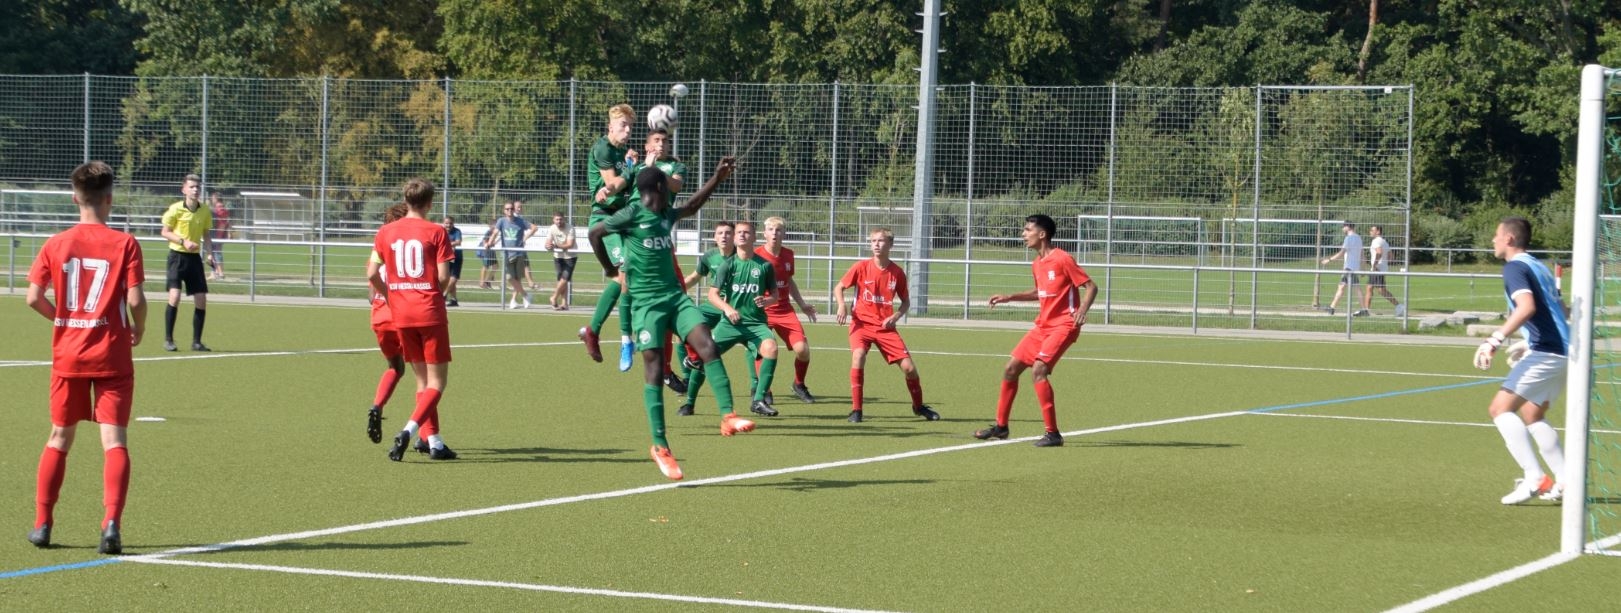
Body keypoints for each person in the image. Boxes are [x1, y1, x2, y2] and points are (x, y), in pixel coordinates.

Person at [587, 158, 745, 481]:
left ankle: (728, 415)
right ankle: (660, 446)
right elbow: (595, 233)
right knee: (656, 369)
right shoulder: (631, 213)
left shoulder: (665, 214)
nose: (673, 190)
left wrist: (717, 178)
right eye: (668, 184)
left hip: (675, 298)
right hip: (647, 305)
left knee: (707, 345)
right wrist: (609, 268)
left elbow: (692, 206)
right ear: (658, 187)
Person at [25, 160, 146, 554]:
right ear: (110, 199)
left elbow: (33, 297)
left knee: (60, 437)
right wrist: (139, 327)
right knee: (114, 440)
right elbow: (135, 299)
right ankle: (111, 524)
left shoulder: (56, 243)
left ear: (75, 198)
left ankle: (42, 524)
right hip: (112, 354)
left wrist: (64, 319)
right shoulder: (125, 243)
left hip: (69, 355)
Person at [973, 214, 1097, 448]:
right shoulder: (1037, 263)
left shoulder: (1062, 259)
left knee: (1039, 370)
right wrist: (1010, 297)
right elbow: (1038, 292)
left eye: (1028, 230)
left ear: (1042, 234)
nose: (1023, 234)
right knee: (1010, 369)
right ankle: (1001, 427)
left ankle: (1053, 433)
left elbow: (1091, 286)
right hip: (1043, 326)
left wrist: (1081, 310)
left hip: (1064, 325)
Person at [1472, 216, 1568, 505]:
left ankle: (1534, 477)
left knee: (1499, 409)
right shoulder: (1539, 266)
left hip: (1549, 352)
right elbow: (1560, 310)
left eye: (1496, 235)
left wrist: (1494, 340)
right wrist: (1528, 342)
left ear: (1509, 239)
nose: (1493, 240)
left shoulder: (1514, 267)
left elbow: (1526, 307)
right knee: (1532, 414)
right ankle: (1567, 481)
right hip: (1563, 351)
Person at [368, 178, 458, 461]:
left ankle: (433, 442)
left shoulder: (385, 232)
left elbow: (372, 274)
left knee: (421, 381)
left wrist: (392, 297)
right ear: (430, 203)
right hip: (428, 311)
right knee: (436, 383)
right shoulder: (436, 231)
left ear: (405, 200)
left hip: (401, 315)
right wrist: (433, 295)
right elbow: (443, 277)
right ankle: (408, 431)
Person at [834, 228, 939, 423]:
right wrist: (842, 305)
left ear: (890, 244)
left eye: (881, 241)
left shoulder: (897, 273)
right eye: (873, 241)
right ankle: (856, 410)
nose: (876, 244)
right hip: (861, 325)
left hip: (885, 328)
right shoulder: (860, 267)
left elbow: (906, 302)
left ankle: (918, 406)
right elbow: (839, 287)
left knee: (909, 368)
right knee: (858, 356)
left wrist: (896, 316)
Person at [578, 104, 640, 371]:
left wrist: (634, 166)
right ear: (610, 126)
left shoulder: (622, 152)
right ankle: (626, 339)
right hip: (605, 219)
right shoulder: (603, 148)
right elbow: (612, 184)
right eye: (623, 125)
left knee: (623, 277)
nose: (628, 130)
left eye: (631, 126)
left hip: (623, 220)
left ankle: (593, 330)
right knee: (624, 274)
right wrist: (631, 168)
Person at [705, 220, 781, 418]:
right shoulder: (727, 265)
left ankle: (758, 400)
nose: (741, 235)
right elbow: (712, 294)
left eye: (746, 232)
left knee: (771, 348)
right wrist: (728, 308)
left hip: (756, 324)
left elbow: (775, 295)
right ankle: (689, 400)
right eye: (738, 232)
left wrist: (767, 300)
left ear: (754, 237)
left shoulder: (765, 266)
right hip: (730, 324)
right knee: (705, 355)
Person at [676, 221, 747, 416]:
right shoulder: (709, 256)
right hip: (714, 306)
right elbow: (694, 278)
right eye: (720, 233)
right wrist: (675, 290)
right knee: (683, 331)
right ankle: (686, 378)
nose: (724, 236)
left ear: (734, 236)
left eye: (728, 233)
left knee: (756, 348)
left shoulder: (743, 255)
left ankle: (759, 392)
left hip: (737, 308)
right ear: (714, 237)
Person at [755, 216, 818, 404]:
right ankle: (764, 390)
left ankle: (799, 384)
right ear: (764, 233)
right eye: (771, 229)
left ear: (784, 233)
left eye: (778, 230)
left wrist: (802, 305)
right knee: (763, 350)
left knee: (803, 350)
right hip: (762, 312)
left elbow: (789, 280)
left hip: (784, 310)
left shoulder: (789, 254)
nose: (774, 233)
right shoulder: (755, 255)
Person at [366, 204, 409, 446]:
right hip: (403, 316)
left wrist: (384, 297)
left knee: (395, 367)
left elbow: (371, 294)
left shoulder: (378, 249)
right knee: (426, 376)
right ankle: (428, 437)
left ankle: (377, 405)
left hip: (379, 318)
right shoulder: (407, 250)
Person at [159, 173, 214, 352]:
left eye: (197, 187)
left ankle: (197, 342)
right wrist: (183, 242)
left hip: (194, 259)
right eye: (191, 187)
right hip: (177, 257)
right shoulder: (175, 209)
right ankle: (169, 339)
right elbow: (165, 232)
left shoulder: (204, 210)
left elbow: (206, 234)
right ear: (184, 189)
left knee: (201, 299)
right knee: (175, 296)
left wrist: (210, 254)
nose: (195, 190)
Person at [485, 201, 533, 309]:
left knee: (517, 278)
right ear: (504, 211)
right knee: (509, 277)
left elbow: (534, 228)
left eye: (511, 208)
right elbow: (495, 233)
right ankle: (525, 295)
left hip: (519, 253)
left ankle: (514, 300)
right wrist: (489, 242)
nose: (509, 211)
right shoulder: (501, 221)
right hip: (507, 254)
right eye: (507, 209)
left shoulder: (520, 221)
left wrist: (525, 238)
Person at [1319, 222, 1364, 316]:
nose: (1342, 228)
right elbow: (1362, 254)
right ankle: (1332, 307)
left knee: (1354, 288)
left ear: (1348, 227)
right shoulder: (1358, 238)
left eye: (1344, 227)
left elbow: (1341, 252)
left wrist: (1329, 260)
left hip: (1349, 267)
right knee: (1343, 287)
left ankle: (1364, 309)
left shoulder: (1349, 238)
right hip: (1354, 267)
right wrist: (1362, 267)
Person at [1362, 225, 1404, 316]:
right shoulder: (1384, 241)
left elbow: (1379, 252)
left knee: (1380, 290)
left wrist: (1375, 264)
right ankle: (1366, 310)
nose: (1370, 232)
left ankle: (1399, 306)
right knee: (1371, 288)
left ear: (1378, 232)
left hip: (1377, 269)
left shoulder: (1376, 241)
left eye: (1372, 230)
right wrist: (1384, 264)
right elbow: (1391, 257)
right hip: (1381, 268)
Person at [544, 211, 578, 310]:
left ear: (564, 219)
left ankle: (553, 297)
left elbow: (569, 244)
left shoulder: (570, 228)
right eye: (557, 219)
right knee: (561, 281)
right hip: (558, 256)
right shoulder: (552, 228)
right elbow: (548, 242)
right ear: (553, 220)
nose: (559, 221)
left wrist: (556, 246)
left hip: (570, 256)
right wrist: (548, 245)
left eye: (560, 219)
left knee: (564, 279)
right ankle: (565, 304)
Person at [511, 200, 541, 290]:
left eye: (521, 207)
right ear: (513, 208)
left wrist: (524, 238)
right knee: (520, 266)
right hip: (515, 247)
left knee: (525, 264)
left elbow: (534, 228)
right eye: (518, 207)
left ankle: (530, 283)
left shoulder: (520, 218)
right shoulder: (514, 218)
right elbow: (535, 228)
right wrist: (524, 238)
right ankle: (526, 285)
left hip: (518, 247)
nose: (520, 209)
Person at [208, 193, 231, 280]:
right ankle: (215, 272)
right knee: (215, 253)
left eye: (212, 198)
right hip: (221, 234)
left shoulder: (217, 209)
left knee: (214, 254)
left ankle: (219, 273)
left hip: (215, 234)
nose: (211, 200)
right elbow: (227, 222)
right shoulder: (225, 209)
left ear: (216, 199)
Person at [443, 216, 464, 307]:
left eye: (450, 223)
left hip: (456, 257)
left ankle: (444, 295)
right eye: (446, 223)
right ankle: (454, 299)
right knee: (448, 279)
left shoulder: (457, 231)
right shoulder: (441, 231)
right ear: (443, 223)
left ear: (453, 223)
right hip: (445, 257)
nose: (448, 225)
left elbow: (458, 241)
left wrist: (447, 244)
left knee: (454, 277)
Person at [477, 212, 499, 290]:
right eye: (495, 225)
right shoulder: (489, 232)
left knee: (496, 266)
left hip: (491, 251)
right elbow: (484, 241)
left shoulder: (495, 233)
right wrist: (486, 245)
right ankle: (482, 282)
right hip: (486, 252)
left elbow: (493, 242)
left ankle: (488, 281)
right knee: (485, 266)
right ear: (490, 226)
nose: (496, 226)